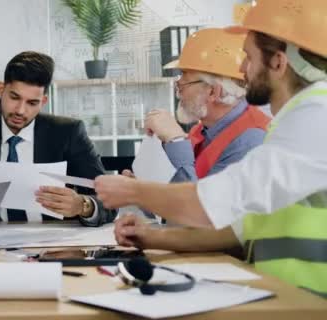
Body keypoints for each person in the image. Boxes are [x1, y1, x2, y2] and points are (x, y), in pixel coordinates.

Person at [97, 0, 327, 296]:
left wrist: (131, 191)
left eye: (248, 56)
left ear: (279, 63)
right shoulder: (291, 123)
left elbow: (218, 200)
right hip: (288, 299)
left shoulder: (317, 115)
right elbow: (238, 229)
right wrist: (151, 236)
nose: (242, 69)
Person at [114, 28, 271, 257]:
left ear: (213, 92)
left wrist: (176, 140)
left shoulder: (251, 140)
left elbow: (202, 223)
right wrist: (143, 191)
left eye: (184, 83)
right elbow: (177, 204)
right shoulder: (204, 131)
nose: (179, 91)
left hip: (226, 269)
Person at [0, 51, 116, 226]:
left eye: (32, 103)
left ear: (43, 101)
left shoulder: (68, 133)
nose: (20, 110)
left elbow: (109, 201)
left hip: (56, 245)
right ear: (1, 90)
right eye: (14, 97)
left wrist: (83, 206)